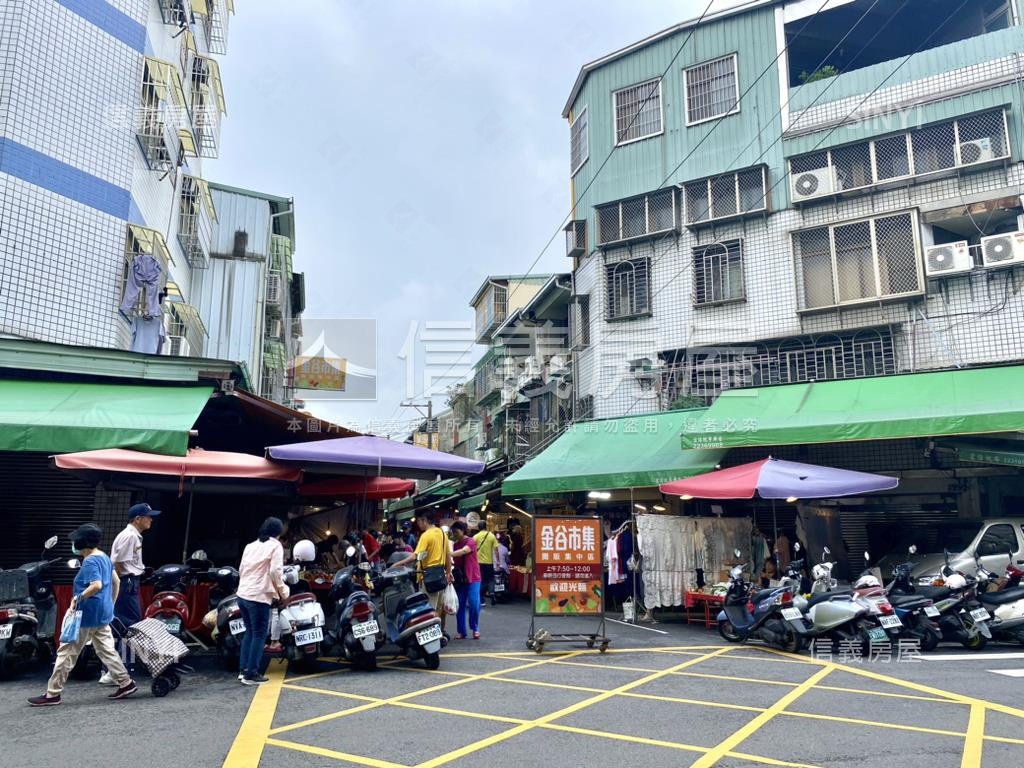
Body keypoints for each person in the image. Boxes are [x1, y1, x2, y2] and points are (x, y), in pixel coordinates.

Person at [28, 524, 137, 706]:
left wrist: (77, 598)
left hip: (86, 614)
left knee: (67, 652)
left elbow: (96, 585)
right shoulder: (103, 556)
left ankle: (52, 694)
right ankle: (126, 683)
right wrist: (110, 603)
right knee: (106, 650)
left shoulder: (90, 561)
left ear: (82, 542)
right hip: (102, 614)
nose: (73, 543)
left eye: (75, 540)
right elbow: (115, 581)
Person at [101, 502, 160, 685]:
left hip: (128, 584)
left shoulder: (132, 535)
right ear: (138, 519)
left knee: (122, 627)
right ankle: (116, 671)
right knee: (128, 628)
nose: (151, 519)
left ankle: (114, 669)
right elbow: (118, 564)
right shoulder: (130, 537)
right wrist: (118, 587)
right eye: (148, 516)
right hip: (126, 584)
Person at [236, 517, 290, 685]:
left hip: (243, 594)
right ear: (279, 532)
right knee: (259, 634)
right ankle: (251, 674)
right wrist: (283, 592)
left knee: (250, 632)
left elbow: (242, 569)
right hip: (259, 596)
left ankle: (243, 670)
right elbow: (275, 572)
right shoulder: (276, 546)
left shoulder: (250, 546)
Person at [395, 509, 452, 636]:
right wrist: (448, 572)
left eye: (419, 521)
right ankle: (437, 634)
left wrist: (397, 564)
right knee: (437, 608)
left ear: (424, 520)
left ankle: (430, 637)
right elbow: (448, 555)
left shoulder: (426, 535)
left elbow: (415, 556)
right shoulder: (442, 533)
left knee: (428, 610)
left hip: (429, 577)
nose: (418, 524)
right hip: (440, 576)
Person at [450, 522, 481, 639]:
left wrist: (449, 554)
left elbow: (464, 551)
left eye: (456, 531)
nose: (454, 534)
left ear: (463, 530)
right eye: (453, 532)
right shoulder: (455, 544)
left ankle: (475, 627)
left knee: (474, 603)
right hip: (460, 579)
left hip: (473, 577)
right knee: (460, 605)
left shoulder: (471, 541)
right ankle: (462, 631)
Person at [473, 521, 499, 606]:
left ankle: (482, 600)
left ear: (478, 527)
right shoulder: (491, 536)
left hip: (478, 563)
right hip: (489, 562)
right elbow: (496, 550)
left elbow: (472, 550)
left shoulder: (475, 536)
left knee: (481, 581)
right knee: (491, 579)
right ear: (486, 527)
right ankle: (491, 592)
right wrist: (498, 562)